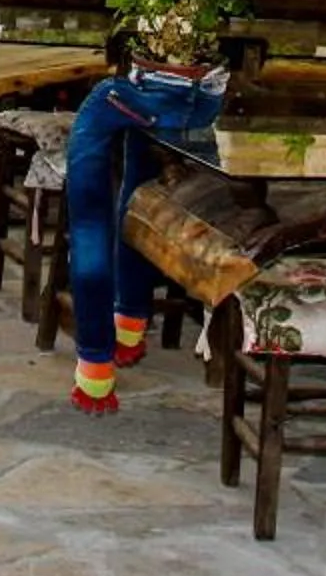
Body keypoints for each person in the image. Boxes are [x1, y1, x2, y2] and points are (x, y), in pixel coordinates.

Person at [61, 56, 226, 412]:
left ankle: (94, 369)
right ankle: (129, 329)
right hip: (210, 105)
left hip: (135, 98)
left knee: (89, 219)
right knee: (137, 187)